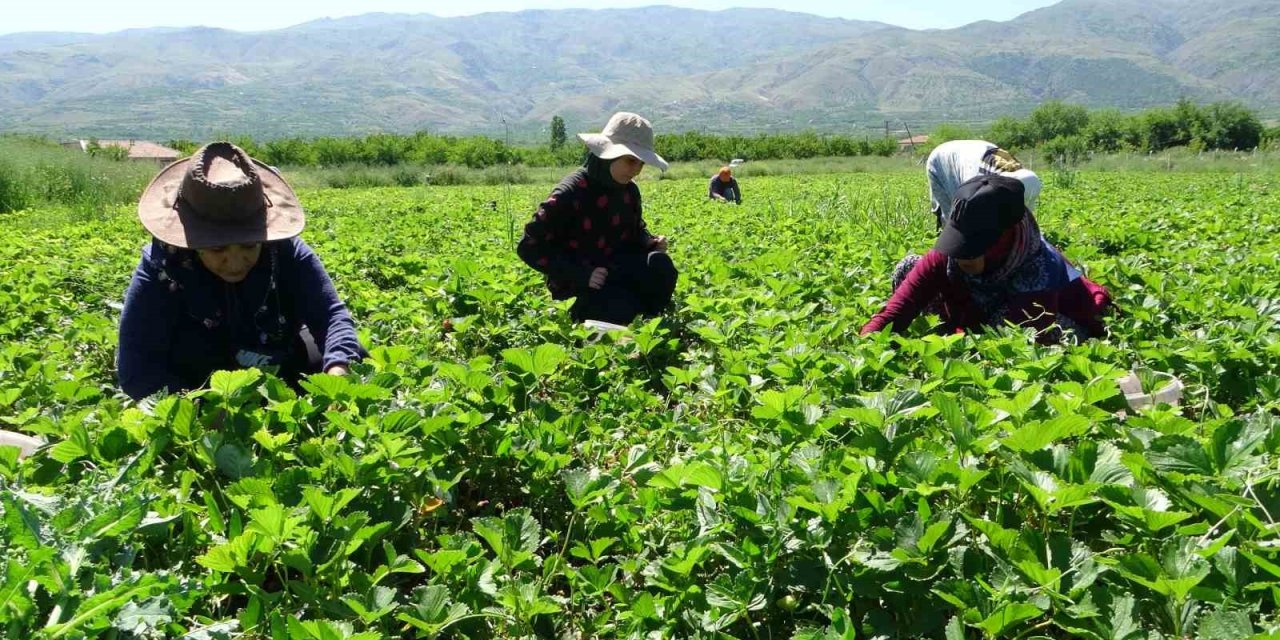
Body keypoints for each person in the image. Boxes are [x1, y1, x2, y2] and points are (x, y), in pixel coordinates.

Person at [117, 142, 366, 400]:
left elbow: (330, 316)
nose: (235, 263)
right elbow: (136, 368)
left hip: (273, 357)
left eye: (249, 245)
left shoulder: (285, 250)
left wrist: (338, 373)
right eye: (217, 249)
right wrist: (204, 413)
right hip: (199, 378)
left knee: (347, 356)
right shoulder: (162, 266)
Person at [861, 175, 1111, 344]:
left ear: (1006, 237)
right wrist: (866, 345)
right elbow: (896, 311)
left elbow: (1004, 347)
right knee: (909, 267)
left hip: (1053, 318)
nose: (961, 256)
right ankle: (952, 332)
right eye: (960, 242)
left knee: (1027, 334)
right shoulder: (950, 253)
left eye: (975, 245)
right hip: (977, 312)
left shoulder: (1039, 270)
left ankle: (954, 334)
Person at [517, 112, 678, 325]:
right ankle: (611, 318)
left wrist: (648, 241)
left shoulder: (629, 192)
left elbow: (634, 230)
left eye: (641, 164)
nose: (636, 171)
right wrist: (580, 274)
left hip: (616, 270)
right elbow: (529, 246)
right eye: (631, 161)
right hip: (580, 284)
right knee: (621, 307)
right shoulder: (570, 192)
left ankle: (645, 321)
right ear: (607, 154)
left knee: (661, 266)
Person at [926, 140, 1041, 229]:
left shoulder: (1026, 180)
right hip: (943, 159)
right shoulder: (977, 184)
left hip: (975, 153)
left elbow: (1023, 219)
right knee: (954, 219)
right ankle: (946, 256)